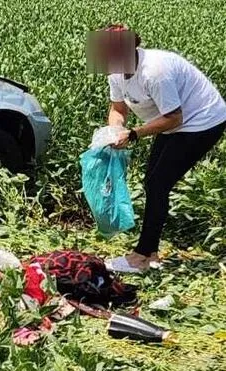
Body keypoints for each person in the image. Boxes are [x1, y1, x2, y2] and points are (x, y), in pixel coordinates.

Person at [91, 24, 226, 273]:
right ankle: (150, 253)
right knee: (153, 182)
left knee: (158, 183)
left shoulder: (155, 72)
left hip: (202, 121)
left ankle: (141, 256)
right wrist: (116, 130)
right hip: (174, 122)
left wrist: (133, 134)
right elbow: (118, 109)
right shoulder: (116, 72)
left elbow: (175, 118)